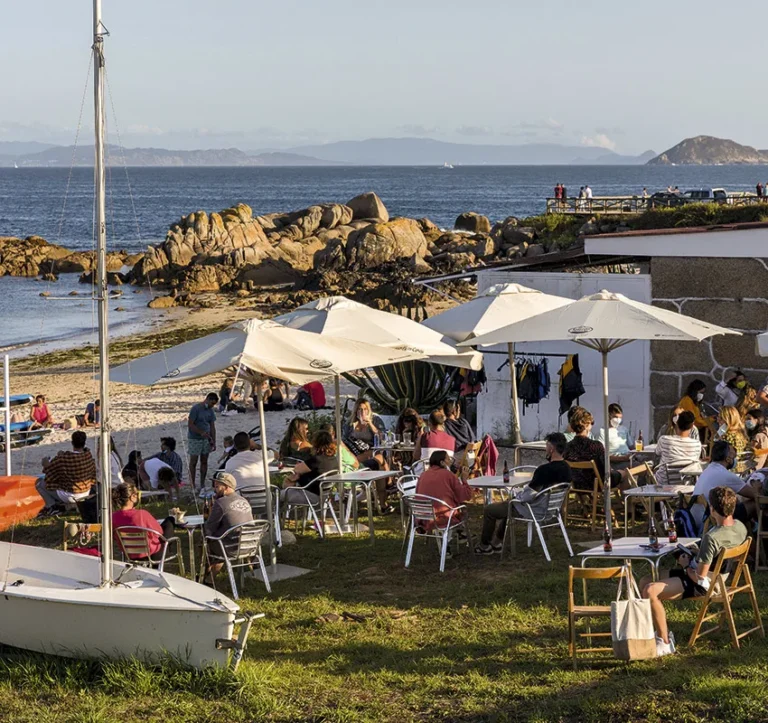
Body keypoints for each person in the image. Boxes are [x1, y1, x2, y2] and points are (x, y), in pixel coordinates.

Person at [641, 486, 748, 656]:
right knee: (645, 580)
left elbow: (699, 578)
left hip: (708, 584)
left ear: (712, 508)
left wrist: (685, 564)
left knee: (650, 590)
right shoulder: (740, 527)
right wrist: (697, 555)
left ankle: (665, 642)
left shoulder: (712, 538)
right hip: (720, 576)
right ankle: (651, 631)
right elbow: (718, 556)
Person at [475, 432, 572, 554]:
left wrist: (518, 495)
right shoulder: (567, 468)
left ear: (551, 449)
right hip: (551, 509)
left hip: (533, 509)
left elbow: (529, 495)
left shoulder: (544, 470)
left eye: (546, 446)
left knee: (490, 510)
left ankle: (484, 546)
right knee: (508, 506)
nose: (545, 449)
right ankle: (496, 542)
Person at [691, 441, 757, 527]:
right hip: (711, 521)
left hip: (697, 519)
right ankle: (757, 533)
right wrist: (757, 486)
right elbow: (755, 495)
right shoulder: (726, 475)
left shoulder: (708, 470)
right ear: (728, 459)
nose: (735, 460)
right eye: (734, 456)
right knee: (756, 503)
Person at [203, 471, 254, 583]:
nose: (215, 489)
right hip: (251, 546)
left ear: (225, 487)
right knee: (219, 540)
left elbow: (210, 527)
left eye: (217, 486)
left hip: (232, 548)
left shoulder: (221, 502)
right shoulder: (244, 500)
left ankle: (206, 577)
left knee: (207, 542)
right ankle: (209, 579)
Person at [36, 430, 97, 515]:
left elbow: (50, 470)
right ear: (84, 442)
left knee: (39, 483)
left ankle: (52, 506)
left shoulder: (64, 459)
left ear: (72, 443)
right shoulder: (87, 455)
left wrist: (45, 462)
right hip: (86, 491)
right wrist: (62, 455)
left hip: (71, 495)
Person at [112, 482, 175, 561]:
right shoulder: (142, 514)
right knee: (169, 521)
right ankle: (168, 549)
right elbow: (159, 532)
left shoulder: (113, 517)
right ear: (132, 497)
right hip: (152, 553)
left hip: (129, 553)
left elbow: (113, 536)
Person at [563, 407, 623, 490]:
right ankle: (626, 502)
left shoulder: (567, 446)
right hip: (597, 484)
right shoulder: (596, 445)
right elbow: (605, 468)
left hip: (577, 485)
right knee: (625, 473)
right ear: (587, 425)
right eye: (591, 423)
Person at [414, 450, 472, 531]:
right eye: (448, 459)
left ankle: (458, 534)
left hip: (422, 518)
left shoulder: (423, 475)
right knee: (463, 508)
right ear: (442, 462)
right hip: (443, 517)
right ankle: (461, 533)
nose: (450, 462)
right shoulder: (448, 474)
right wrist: (464, 480)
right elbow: (465, 495)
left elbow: (417, 495)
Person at [281, 430, 338, 508]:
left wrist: (298, 473)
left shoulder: (317, 460)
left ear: (315, 443)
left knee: (277, 494)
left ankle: (275, 518)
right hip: (325, 495)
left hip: (309, 496)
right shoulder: (334, 459)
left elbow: (297, 469)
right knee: (289, 484)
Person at [654, 411, 702, 484]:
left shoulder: (664, 440)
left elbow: (657, 453)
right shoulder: (697, 445)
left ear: (677, 423)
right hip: (686, 484)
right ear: (692, 426)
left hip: (664, 483)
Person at [188, 392, 218, 489]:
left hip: (206, 438)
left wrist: (213, 440)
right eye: (211, 403)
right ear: (207, 399)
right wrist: (200, 432)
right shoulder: (196, 409)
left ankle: (202, 483)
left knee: (204, 461)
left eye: (213, 404)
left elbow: (212, 426)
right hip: (195, 438)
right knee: (193, 461)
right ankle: (192, 483)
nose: (211, 406)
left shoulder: (210, 411)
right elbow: (191, 424)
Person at [596, 402, 633, 467]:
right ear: (608, 415)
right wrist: (623, 458)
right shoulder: (602, 432)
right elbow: (601, 455)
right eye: (615, 417)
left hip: (629, 459)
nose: (618, 420)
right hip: (615, 463)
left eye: (620, 418)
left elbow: (632, 447)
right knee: (644, 468)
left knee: (650, 464)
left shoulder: (624, 429)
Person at [717, 405, 749, 473]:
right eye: (718, 417)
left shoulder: (726, 436)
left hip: (727, 470)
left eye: (721, 418)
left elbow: (720, 457)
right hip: (740, 469)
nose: (717, 420)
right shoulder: (741, 434)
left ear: (728, 420)